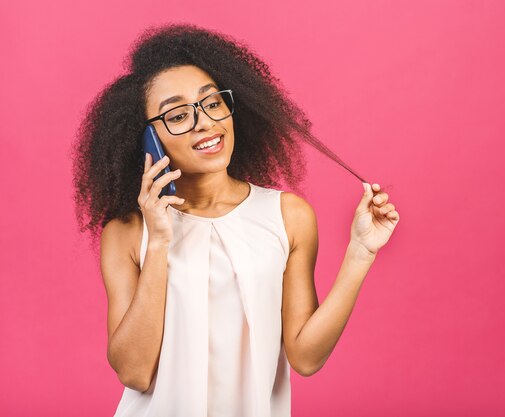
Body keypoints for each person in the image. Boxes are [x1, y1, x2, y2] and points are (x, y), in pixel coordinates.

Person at [72, 23, 399, 417]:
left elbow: (306, 358)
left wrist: (360, 253)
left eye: (212, 103)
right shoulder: (127, 233)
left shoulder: (287, 216)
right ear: (145, 140)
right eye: (177, 115)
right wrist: (159, 241)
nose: (206, 123)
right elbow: (135, 373)